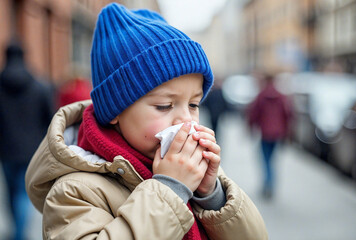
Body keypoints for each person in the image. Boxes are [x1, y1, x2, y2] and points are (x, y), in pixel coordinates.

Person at [25, 3, 267, 239]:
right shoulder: (74, 191)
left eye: (194, 104)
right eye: (164, 105)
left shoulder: (189, 170)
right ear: (115, 111)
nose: (185, 119)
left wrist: (213, 195)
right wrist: (170, 189)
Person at [0, 41, 54, 240]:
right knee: (23, 194)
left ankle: (17, 232)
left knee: (11, 195)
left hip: (5, 151)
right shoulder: (39, 86)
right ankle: (19, 234)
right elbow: (51, 119)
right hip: (31, 151)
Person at [247, 73, 292, 199]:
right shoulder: (282, 96)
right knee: (272, 160)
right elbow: (288, 115)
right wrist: (287, 133)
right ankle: (270, 184)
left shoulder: (261, 96)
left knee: (265, 159)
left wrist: (251, 128)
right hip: (278, 134)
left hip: (265, 133)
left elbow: (253, 114)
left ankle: (268, 184)